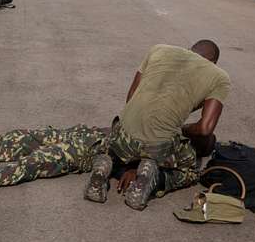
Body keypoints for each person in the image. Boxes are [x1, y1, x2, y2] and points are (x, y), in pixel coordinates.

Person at [84, 41, 230, 211]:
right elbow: (205, 129)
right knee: (191, 170)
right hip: (157, 144)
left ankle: (107, 163)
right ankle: (153, 178)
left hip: (122, 132)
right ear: (213, 62)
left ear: (190, 50)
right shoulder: (219, 76)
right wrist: (183, 130)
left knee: (120, 143)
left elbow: (131, 95)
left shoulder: (158, 49)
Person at [0, 126, 216, 195]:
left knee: (33, 163)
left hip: (84, 154)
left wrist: (128, 170)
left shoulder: (184, 161)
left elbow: (159, 175)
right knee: (17, 139)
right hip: (82, 133)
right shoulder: (171, 135)